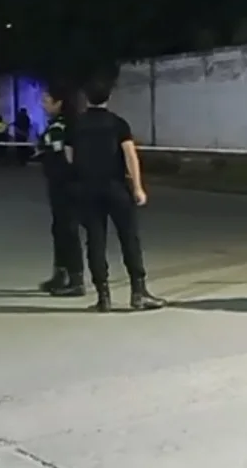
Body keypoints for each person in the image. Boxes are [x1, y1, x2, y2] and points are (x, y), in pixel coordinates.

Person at [67, 79, 165, 313]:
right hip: (115, 186)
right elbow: (130, 156)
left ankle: (103, 296)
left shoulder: (75, 125)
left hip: (87, 189)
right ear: (108, 97)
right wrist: (138, 187)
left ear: (86, 98)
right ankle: (138, 292)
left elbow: (69, 156)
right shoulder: (118, 124)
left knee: (95, 241)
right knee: (129, 237)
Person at [35, 88, 85, 297]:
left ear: (59, 103)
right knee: (59, 229)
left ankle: (76, 278)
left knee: (68, 230)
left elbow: (66, 156)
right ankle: (60, 273)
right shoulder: (57, 124)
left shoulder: (64, 126)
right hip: (57, 183)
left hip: (67, 184)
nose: (43, 105)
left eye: (47, 100)